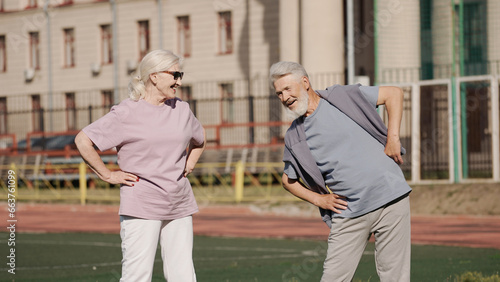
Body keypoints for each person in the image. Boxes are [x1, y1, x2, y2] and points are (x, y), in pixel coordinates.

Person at [269, 61, 411, 282]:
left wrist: (393, 138)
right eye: (279, 93)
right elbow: (288, 181)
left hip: (391, 197)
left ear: (305, 82)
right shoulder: (294, 136)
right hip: (349, 212)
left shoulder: (342, 97)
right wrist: (320, 200)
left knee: (396, 277)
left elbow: (394, 94)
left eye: (287, 89)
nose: (284, 97)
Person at [75, 49, 205, 282]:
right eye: (175, 74)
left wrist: (190, 163)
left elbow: (200, 139)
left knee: (183, 275)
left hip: (179, 203)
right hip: (142, 204)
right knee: (137, 276)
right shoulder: (126, 112)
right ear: (154, 76)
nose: (180, 81)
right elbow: (83, 141)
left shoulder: (182, 109)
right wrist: (107, 175)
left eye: (180, 74)